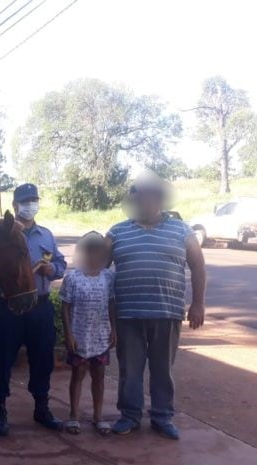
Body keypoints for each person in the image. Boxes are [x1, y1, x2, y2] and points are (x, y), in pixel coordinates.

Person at [107, 173, 206, 440]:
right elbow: (99, 270)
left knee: (163, 370)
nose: (145, 201)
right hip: (128, 315)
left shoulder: (182, 230)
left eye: (151, 196)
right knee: (130, 371)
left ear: (160, 199)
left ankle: (162, 417)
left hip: (167, 313)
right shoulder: (117, 232)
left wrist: (197, 304)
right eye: (140, 197)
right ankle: (130, 416)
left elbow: (198, 265)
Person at [0, 183, 67, 436]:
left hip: (39, 307)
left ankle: (41, 408)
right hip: (9, 308)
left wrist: (52, 270)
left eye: (34, 200)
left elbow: (60, 262)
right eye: (25, 201)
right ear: (14, 206)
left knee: (43, 359)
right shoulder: (1, 235)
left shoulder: (46, 235)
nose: (30, 205)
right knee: (2, 360)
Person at [60, 231, 116, 436]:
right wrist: (69, 334)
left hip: (100, 336)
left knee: (99, 376)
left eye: (98, 254)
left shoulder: (108, 277)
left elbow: (111, 304)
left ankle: (98, 416)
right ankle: (74, 415)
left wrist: (114, 329)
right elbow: (65, 307)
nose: (93, 258)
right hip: (79, 336)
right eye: (89, 253)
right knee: (78, 374)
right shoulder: (73, 278)